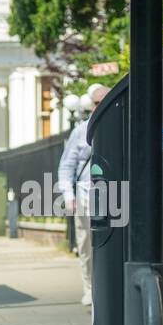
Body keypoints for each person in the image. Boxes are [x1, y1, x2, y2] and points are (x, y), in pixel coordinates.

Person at [57, 83, 111, 307]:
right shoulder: (81, 131)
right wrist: (68, 195)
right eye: (98, 102)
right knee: (86, 243)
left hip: (115, 195)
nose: (102, 106)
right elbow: (66, 166)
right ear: (92, 106)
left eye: (106, 101)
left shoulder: (121, 126)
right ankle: (89, 288)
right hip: (85, 194)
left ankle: (109, 286)